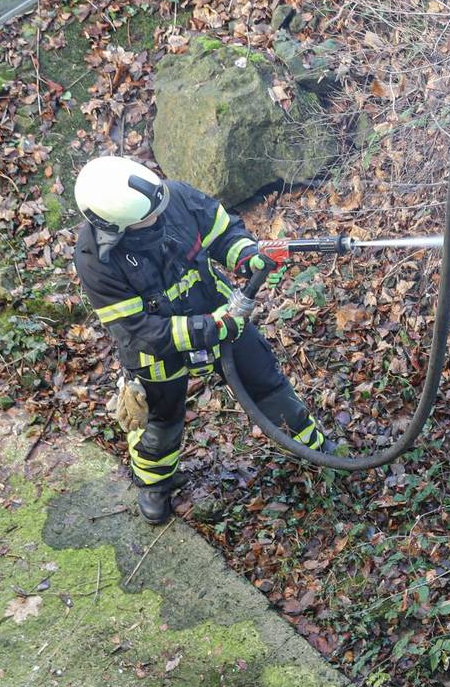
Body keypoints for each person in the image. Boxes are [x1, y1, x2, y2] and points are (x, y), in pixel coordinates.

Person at [70, 155, 328, 524]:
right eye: (147, 220)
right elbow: (138, 330)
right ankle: (154, 484)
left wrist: (246, 256)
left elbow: (223, 232)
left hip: (219, 309)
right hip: (157, 348)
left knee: (266, 383)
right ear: (115, 226)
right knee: (161, 418)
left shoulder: (172, 197)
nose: (159, 217)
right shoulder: (96, 259)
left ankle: (313, 448)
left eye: (159, 208)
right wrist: (207, 328)